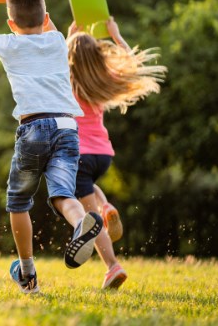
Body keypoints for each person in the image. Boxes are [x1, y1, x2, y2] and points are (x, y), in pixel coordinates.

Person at [0, 0, 103, 294]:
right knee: (63, 194)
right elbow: (52, 27)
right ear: (47, 18)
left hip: (34, 128)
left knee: (18, 202)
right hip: (67, 127)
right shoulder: (56, 40)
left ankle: (28, 274)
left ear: (10, 23)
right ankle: (80, 223)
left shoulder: (10, 43)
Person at [67, 17, 167, 289]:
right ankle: (106, 205)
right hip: (103, 155)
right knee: (90, 189)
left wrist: (69, 37)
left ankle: (112, 266)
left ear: (71, 59)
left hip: (80, 155)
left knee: (91, 221)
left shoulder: (69, 81)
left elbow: (56, 63)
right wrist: (116, 34)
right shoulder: (101, 81)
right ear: (97, 57)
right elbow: (131, 65)